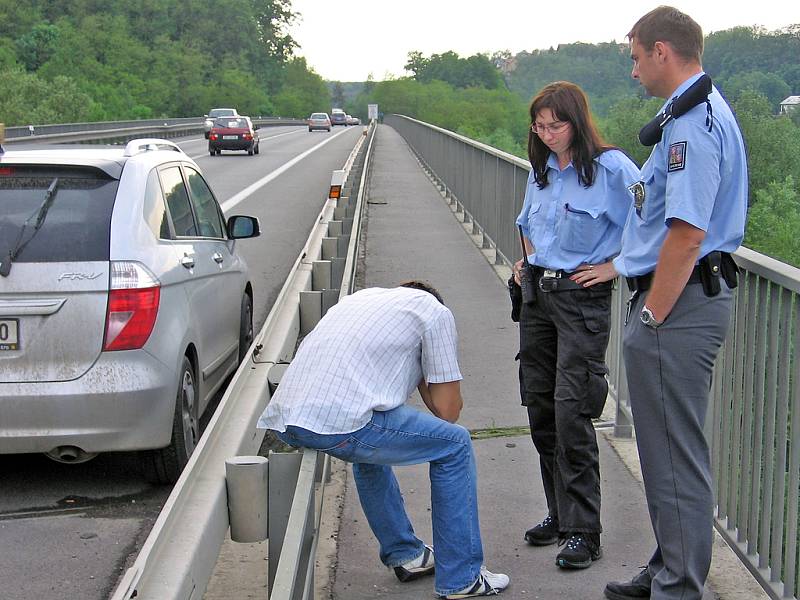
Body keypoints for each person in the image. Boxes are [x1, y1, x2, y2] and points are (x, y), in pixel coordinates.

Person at [599, 7, 748, 600]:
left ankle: (678, 588)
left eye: (636, 57)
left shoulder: (690, 124)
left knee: (673, 459)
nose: (634, 70)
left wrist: (651, 316)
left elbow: (687, 233)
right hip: (683, 300)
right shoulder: (698, 111)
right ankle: (668, 568)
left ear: (663, 50)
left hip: (678, 306)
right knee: (666, 454)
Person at [258, 281, 510, 599]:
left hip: (286, 418)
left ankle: (406, 553)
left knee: (372, 445)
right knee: (455, 444)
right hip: (338, 424)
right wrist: (426, 365)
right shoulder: (435, 312)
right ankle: (462, 578)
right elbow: (448, 412)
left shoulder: (359, 300)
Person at [513, 81, 639, 570]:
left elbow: (652, 220)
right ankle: (560, 515)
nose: (546, 134)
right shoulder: (541, 168)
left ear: (577, 120)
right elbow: (527, 223)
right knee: (540, 407)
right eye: (539, 126)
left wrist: (616, 266)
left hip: (581, 297)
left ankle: (585, 531)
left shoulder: (611, 168)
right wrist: (525, 263)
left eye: (555, 125)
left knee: (572, 412)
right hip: (537, 297)